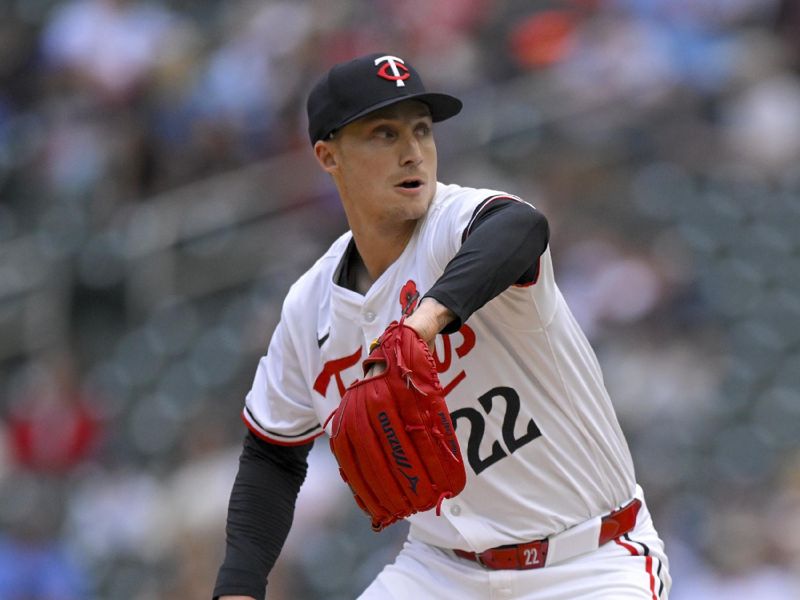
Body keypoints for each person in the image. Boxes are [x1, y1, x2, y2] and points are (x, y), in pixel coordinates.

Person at [213, 52, 671, 600]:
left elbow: (520, 228)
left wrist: (424, 322)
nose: (413, 153)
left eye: (422, 131)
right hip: (441, 572)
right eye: (384, 134)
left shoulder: (457, 223)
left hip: (587, 561)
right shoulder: (308, 307)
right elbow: (272, 451)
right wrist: (238, 587)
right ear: (328, 155)